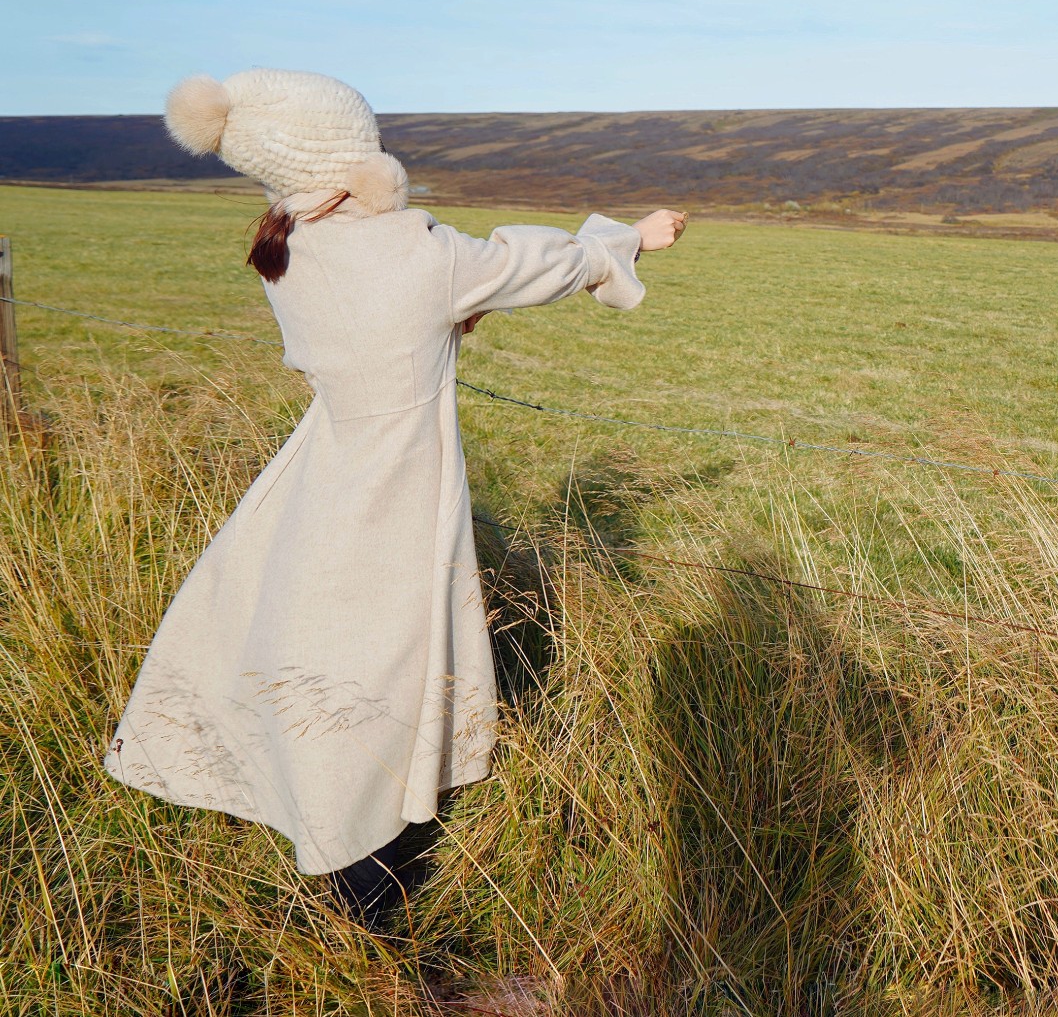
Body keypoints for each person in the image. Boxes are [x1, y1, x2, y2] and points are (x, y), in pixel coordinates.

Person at [102, 68, 688, 928]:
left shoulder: (287, 243)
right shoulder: (418, 249)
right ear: (348, 156)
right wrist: (630, 237)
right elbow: (536, 262)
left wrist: (447, 316)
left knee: (325, 644)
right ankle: (361, 884)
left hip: (327, 463)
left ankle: (334, 836)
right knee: (380, 662)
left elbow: (389, 315)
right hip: (396, 481)